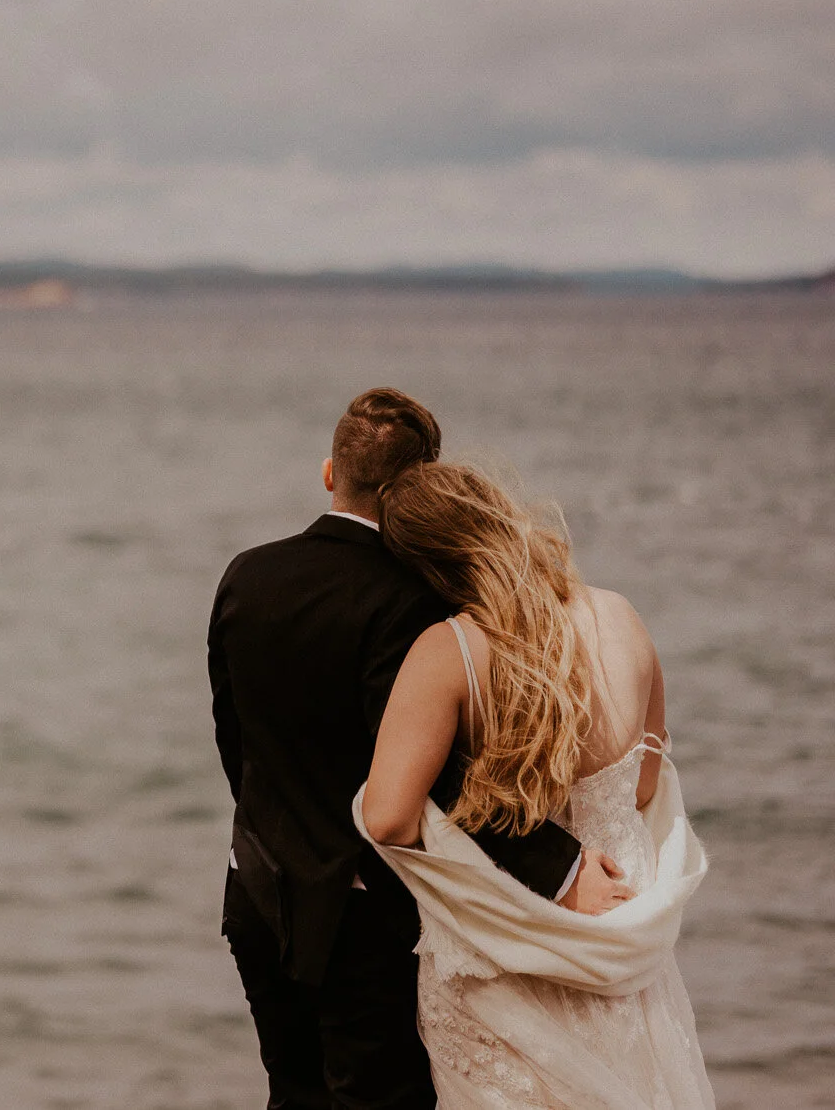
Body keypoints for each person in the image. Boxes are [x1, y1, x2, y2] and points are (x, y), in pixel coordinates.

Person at [207, 388, 626, 1110]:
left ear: (330, 472)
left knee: (291, 1094)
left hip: (254, 886)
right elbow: (434, 779)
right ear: (419, 489)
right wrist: (560, 867)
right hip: (359, 914)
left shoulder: (246, 573)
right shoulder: (409, 599)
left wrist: (271, 832)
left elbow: (232, 736)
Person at [357, 461, 713, 1108]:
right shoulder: (621, 617)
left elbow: (386, 817)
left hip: (503, 961)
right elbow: (643, 786)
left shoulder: (451, 652)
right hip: (624, 939)